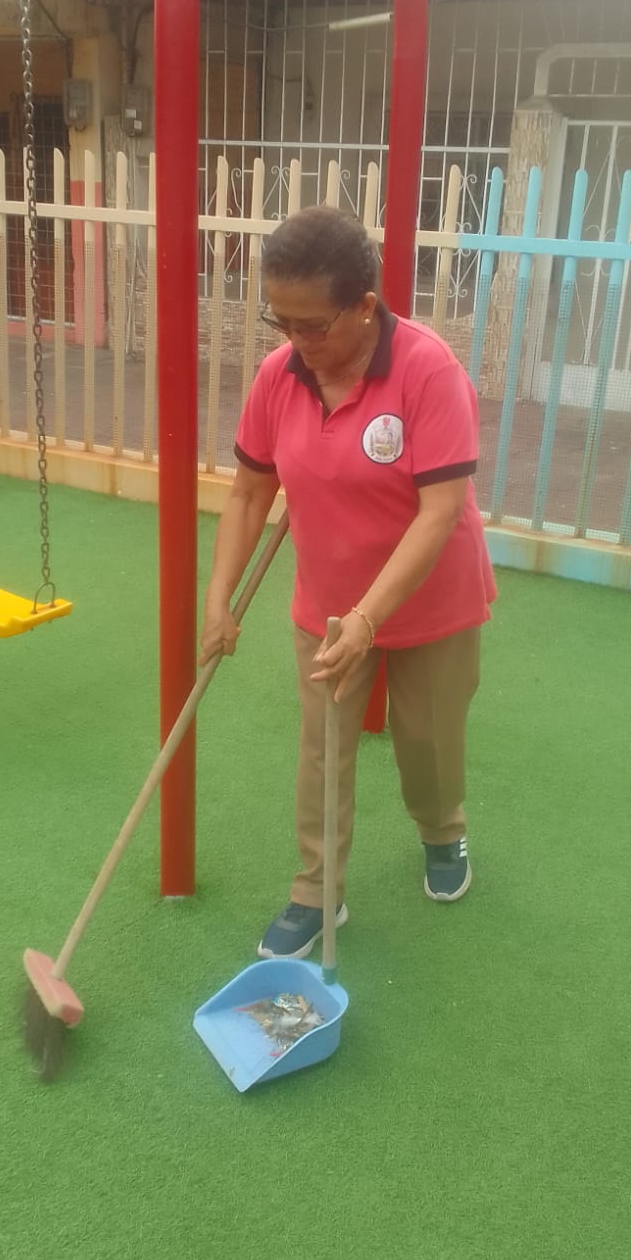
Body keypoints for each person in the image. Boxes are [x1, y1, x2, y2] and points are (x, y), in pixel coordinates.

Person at [198, 204, 497, 959]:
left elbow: (440, 511)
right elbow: (250, 492)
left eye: (312, 325)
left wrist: (371, 618)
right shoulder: (280, 376)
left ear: (364, 306)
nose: (295, 341)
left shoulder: (429, 370)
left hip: (431, 595)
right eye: (281, 322)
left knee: (427, 739)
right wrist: (218, 597)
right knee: (323, 748)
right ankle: (316, 891)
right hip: (328, 600)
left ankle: (443, 830)